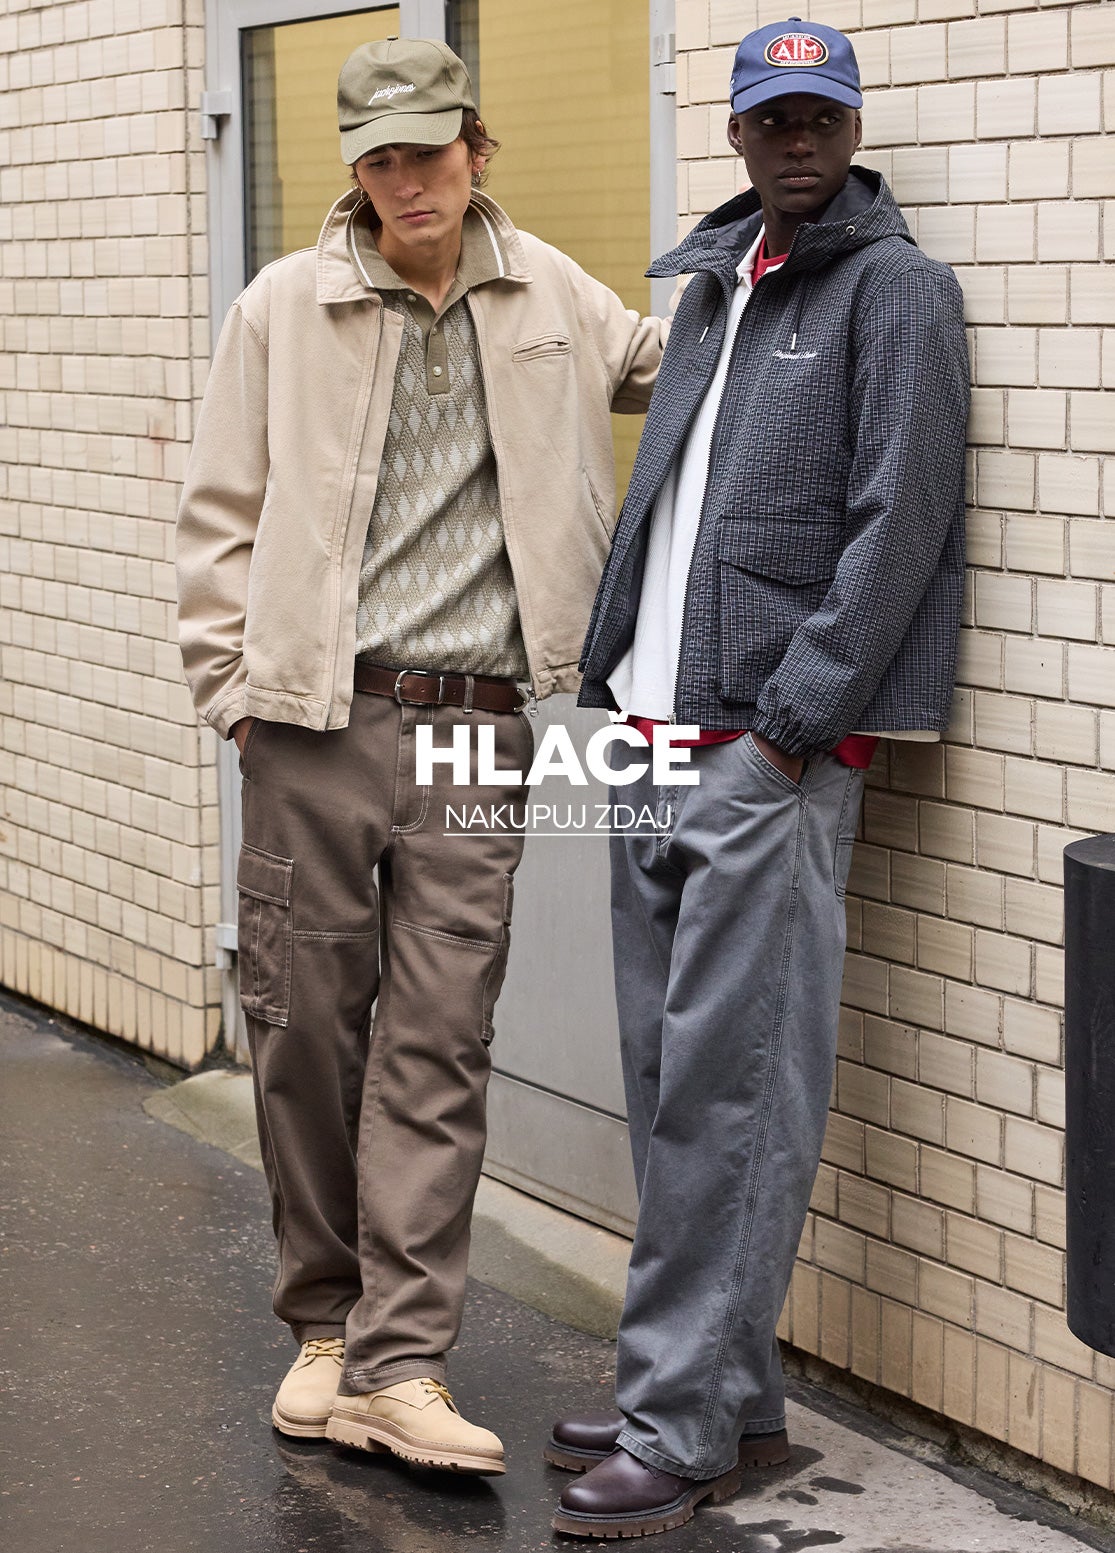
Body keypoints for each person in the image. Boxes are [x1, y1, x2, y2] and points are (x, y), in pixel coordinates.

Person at [175, 37, 663, 1477]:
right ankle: (324, 1331)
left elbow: (673, 362)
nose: (409, 182)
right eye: (380, 160)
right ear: (356, 170)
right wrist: (234, 694)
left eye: (430, 152)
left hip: (473, 724)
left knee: (441, 1037)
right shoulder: (285, 305)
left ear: (477, 148)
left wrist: (771, 270)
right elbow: (220, 507)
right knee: (305, 1029)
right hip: (314, 723)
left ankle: (402, 1363)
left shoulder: (550, 293)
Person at [546, 17, 969, 1539]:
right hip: (654, 735)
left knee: (732, 1106)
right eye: (773, 119)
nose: (798, 141)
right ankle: (725, 1395)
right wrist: (613, 684)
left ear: (852, 131)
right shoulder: (718, 282)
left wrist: (795, 724)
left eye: (821, 119)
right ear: (735, 132)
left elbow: (900, 519)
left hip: (759, 753)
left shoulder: (897, 292)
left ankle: (679, 1427)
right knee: (673, 1094)